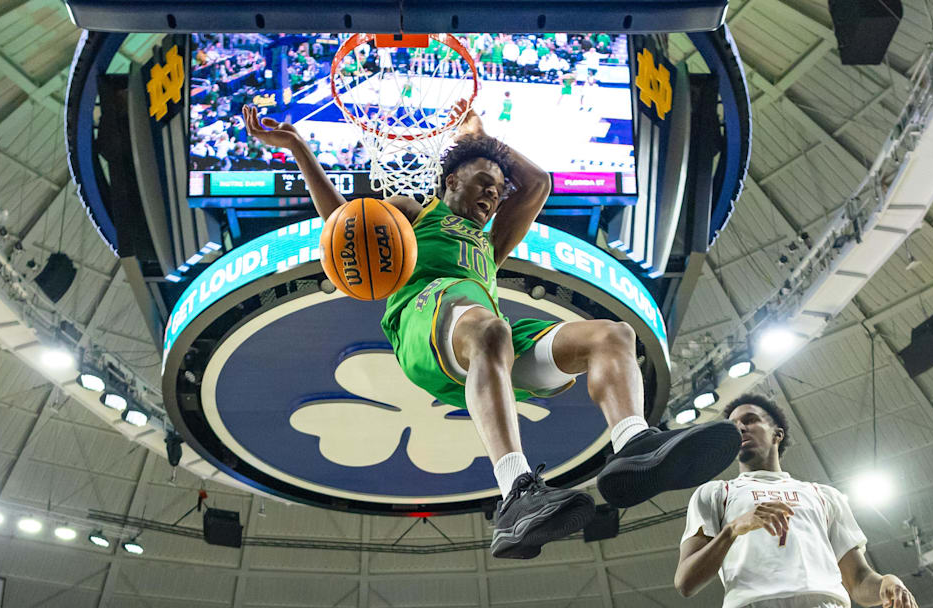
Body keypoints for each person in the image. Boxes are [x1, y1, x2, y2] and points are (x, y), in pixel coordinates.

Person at [241, 104, 739, 559]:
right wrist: (300, 151)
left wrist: (486, 140)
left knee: (613, 336)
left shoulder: (491, 240)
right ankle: (517, 492)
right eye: (483, 182)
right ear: (451, 179)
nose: (494, 193)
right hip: (423, 325)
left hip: (484, 339)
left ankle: (634, 444)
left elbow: (538, 183)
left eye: (499, 189)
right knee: (490, 328)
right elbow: (343, 226)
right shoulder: (417, 213)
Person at [675, 394, 919, 608]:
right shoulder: (715, 493)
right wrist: (732, 529)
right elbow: (685, 582)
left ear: (777, 434)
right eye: (734, 425)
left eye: (750, 420)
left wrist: (886, 583)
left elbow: (858, 580)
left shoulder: (824, 495)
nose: (740, 428)